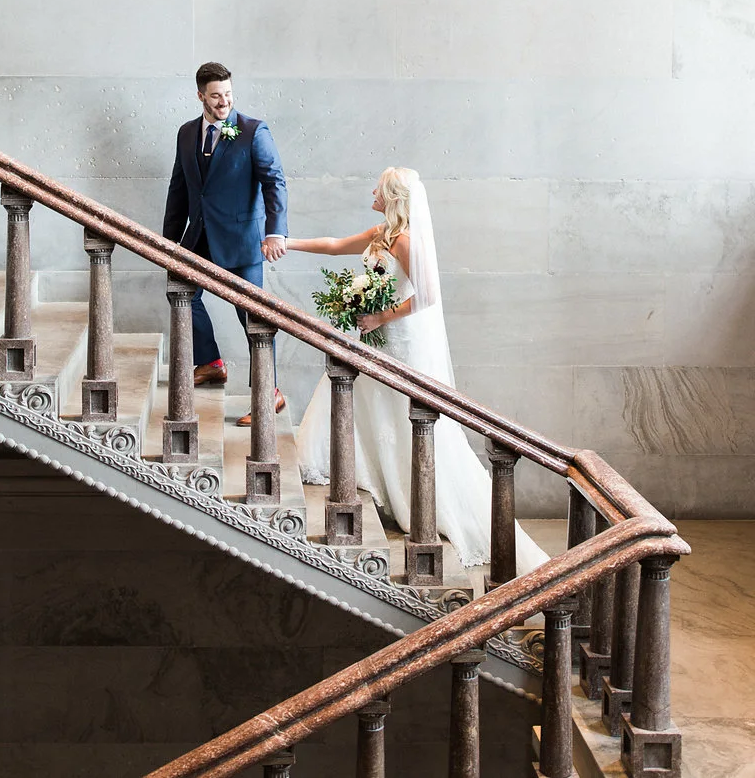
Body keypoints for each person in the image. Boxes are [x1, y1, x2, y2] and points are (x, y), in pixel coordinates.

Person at [289, 167, 547, 573]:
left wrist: (381, 317)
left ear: (393, 197)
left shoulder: (406, 242)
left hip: (398, 339)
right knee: (361, 399)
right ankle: (372, 476)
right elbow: (336, 244)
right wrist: (287, 243)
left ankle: (417, 496)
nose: (372, 189)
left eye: (379, 187)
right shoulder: (381, 235)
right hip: (378, 335)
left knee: (398, 411)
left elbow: (428, 295)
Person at [162, 62, 288, 426]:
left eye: (228, 94)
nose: (223, 102)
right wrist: (167, 241)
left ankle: (269, 394)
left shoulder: (253, 131)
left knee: (254, 320)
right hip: (199, 236)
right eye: (216, 96)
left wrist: (275, 231)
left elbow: (274, 181)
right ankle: (211, 363)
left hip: (242, 242)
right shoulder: (186, 133)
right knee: (181, 292)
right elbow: (179, 188)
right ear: (200, 95)